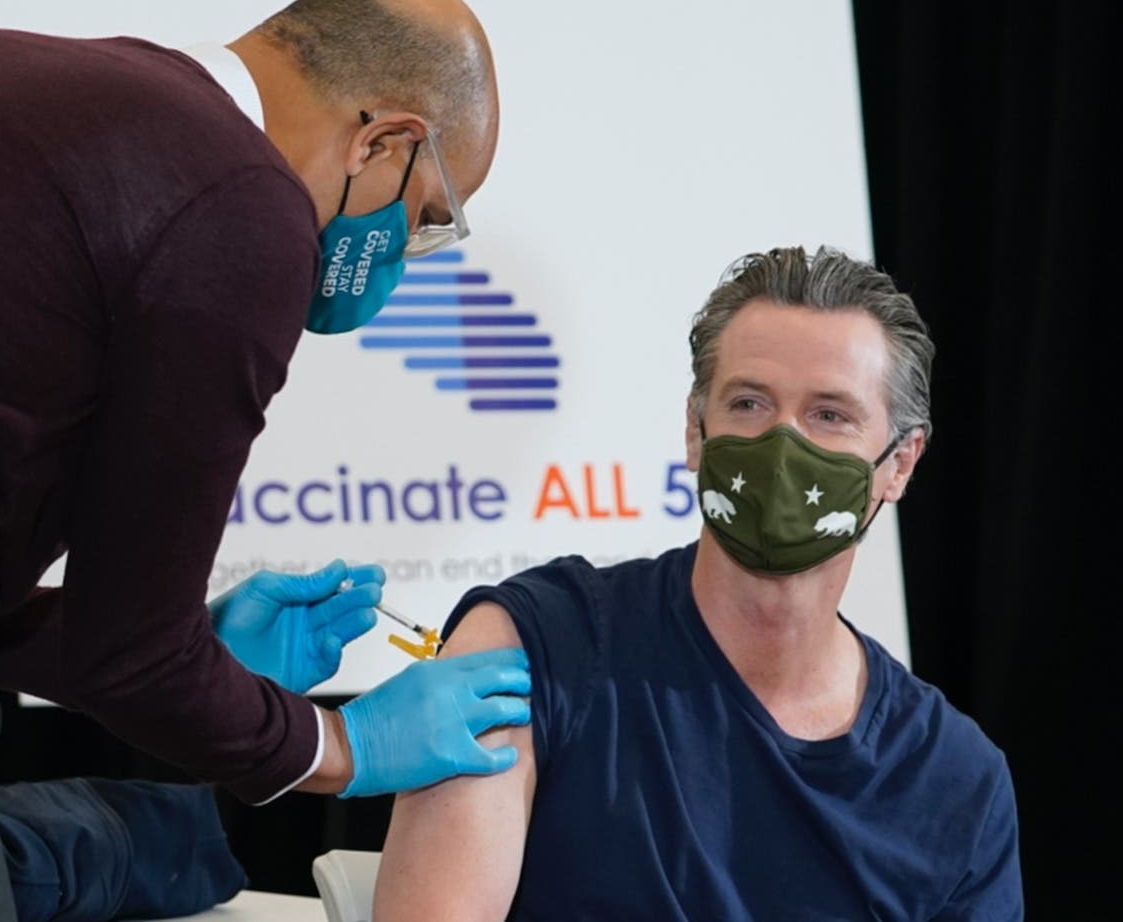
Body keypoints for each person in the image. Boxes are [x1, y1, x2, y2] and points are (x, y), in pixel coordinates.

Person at [0, 0, 532, 919]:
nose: (411, 249)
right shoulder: (242, 208)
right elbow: (135, 662)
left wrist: (199, 656)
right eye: (428, 217)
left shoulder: (54, 82)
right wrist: (346, 746)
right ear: (385, 143)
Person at [371, 246, 1024, 921]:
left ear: (900, 463)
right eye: (749, 403)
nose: (781, 445)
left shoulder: (953, 780)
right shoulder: (533, 649)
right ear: (695, 429)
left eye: (830, 415)